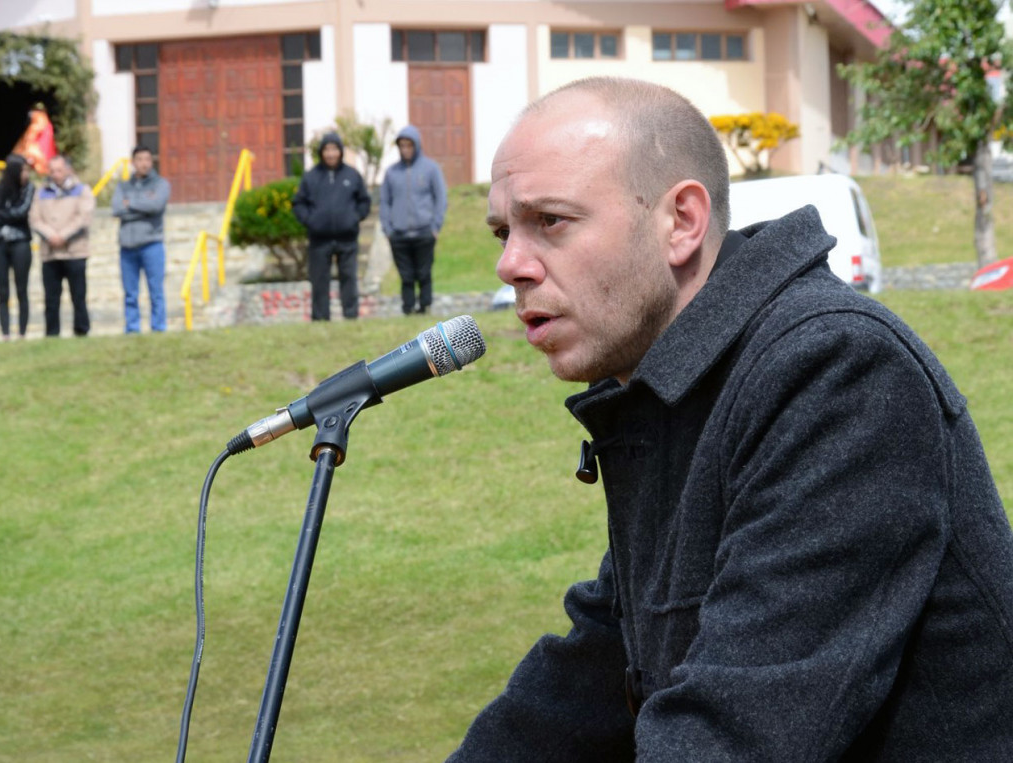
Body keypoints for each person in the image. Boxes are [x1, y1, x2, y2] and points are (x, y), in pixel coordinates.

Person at [449, 77, 1013, 760]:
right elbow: (593, 672)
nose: (511, 264)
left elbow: (739, 728)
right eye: (504, 230)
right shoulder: (674, 388)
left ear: (682, 221)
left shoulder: (835, 371)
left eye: (551, 222)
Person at [291, 132, 371, 321]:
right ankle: (320, 318)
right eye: (327, 149)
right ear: (321, 152)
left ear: (340, 151)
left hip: (347, 238)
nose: (331, 154)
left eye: (334, 149)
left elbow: (364, 201)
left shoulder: (352, 175)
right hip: (319, 239)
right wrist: (310, 220)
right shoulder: (311, 177)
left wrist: (354, 217)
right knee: (319, 281)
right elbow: (298, 203)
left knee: (349, 278)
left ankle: (351, 316)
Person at [379, 126, 447, 315]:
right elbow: (384, 202)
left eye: (409, 145)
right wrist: (388, 229)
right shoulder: (391, 172)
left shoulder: (431, 168)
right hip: (398, 234)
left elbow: (440, 197)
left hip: (424, 231)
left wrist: (435, 226)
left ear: (416, 145)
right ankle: (407, 307)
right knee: (406, 275)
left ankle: (425, 306)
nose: (406, 149)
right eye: (402, 145)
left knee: (424, 273)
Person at [29, 155, 95, 337]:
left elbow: (84, 218)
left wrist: (63, 235)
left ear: (68, 170)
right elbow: (35, 218)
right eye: (52, 171)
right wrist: (51, 235)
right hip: (50, 254)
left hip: (75, 252)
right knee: (51, 298)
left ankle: (81, 331)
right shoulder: (41, 192)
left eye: (59, 170)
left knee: (78, 296)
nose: (55, 174)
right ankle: (52, 334)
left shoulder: (81, 190)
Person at [112, 145, 171, 333]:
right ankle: (132, 328)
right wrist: (143, 208)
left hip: (151, 245)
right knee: (130, 293)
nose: (143, 164)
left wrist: (130, 205)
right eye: (139, 160)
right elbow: (117, 209)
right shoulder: (123, 186)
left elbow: (156, 206)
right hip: (127, 247)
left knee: (156, 291)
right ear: (133, 162)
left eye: (147, 159)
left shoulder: (160, 184)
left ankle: (158, 327)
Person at [0, 154, 35, 340]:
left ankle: (22, 333)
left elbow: (22, 212)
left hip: (20, 242)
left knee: (21, 289)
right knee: (2, 290)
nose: (26, 174)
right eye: (24, 169)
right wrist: (9, 215)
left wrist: (3, 215)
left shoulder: (28, 188)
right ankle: (5, 333)